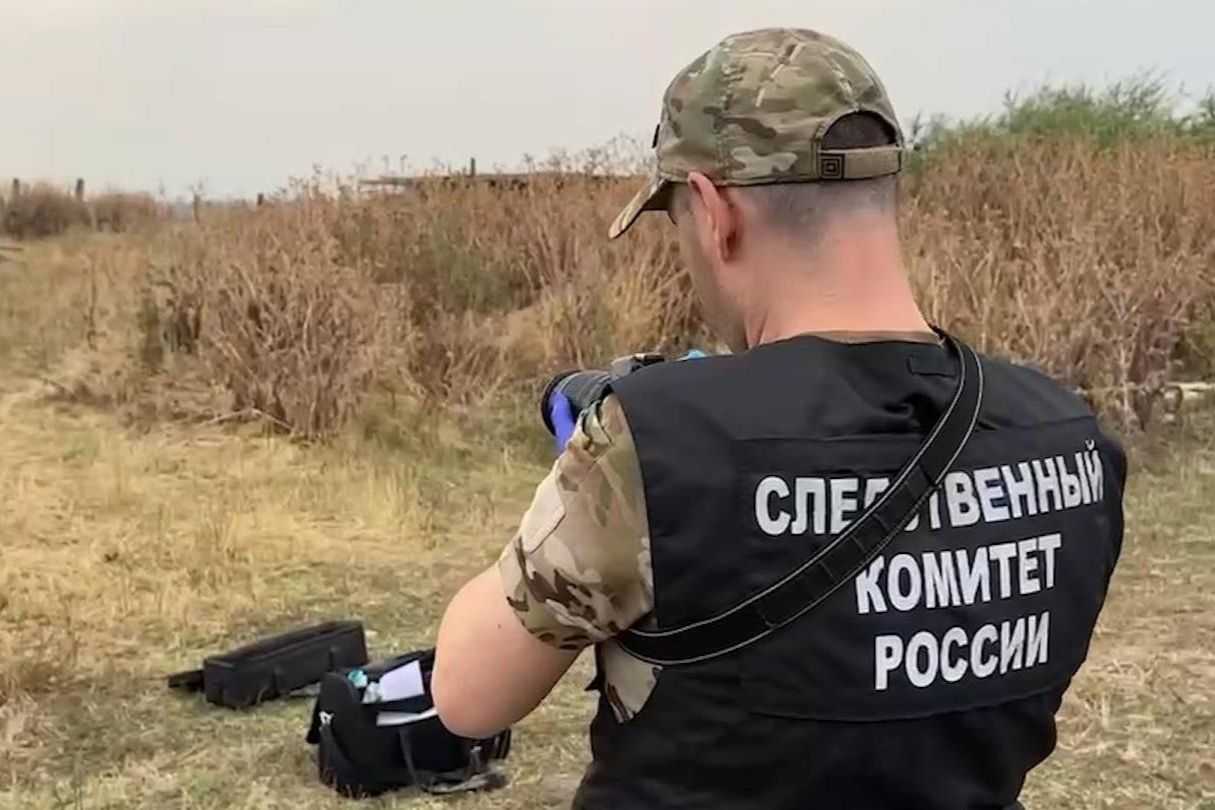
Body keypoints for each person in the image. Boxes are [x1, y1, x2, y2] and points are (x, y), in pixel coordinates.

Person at [432, 27, 1127, 810]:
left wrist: (592, 471)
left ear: (711, 208)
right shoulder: (1070, 437)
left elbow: (466, 694)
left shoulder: (654, 443)